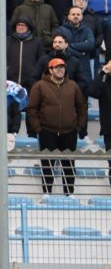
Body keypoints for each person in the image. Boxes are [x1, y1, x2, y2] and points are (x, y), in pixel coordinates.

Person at [26, 57, 88, 195]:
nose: (60, 70)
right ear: (50, 70)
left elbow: (82, 107)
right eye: (57, 67)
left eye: (62, 67)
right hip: (47, 131)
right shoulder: (40, 86)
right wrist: (38, 128)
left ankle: (69, 194)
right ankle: (46, 193)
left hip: (69, 132)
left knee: (69, 165)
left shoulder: (73, 86)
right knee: (47, 165)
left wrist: (79, 127)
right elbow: (32, 109)